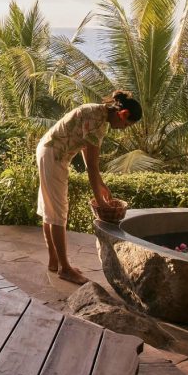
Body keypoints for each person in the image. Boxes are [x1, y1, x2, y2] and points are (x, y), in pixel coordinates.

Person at [37, 90, 142, 284]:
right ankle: (65, 268)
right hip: (53, 154)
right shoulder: (98, 122)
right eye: (126, 124)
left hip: (48, 151)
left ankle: (55, 261)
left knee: (50, 209)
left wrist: (101, 184)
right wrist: (101, 203)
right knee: (58, 212)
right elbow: (92, 167)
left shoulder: (97, 114)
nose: (124, 128)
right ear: (123, 113)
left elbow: (87, 154)